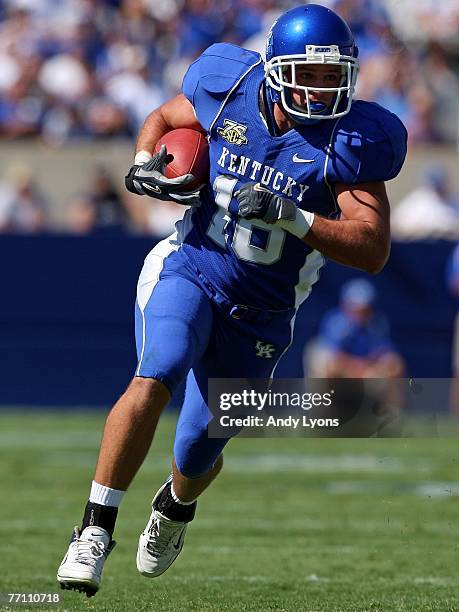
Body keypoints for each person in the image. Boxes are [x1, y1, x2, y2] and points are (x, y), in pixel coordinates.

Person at [57, 3, 407, 597]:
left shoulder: (351, 141)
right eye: (310, 74)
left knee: (196, 450)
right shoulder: (229, 84)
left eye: (333, 75)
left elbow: (372, 249)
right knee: (157, 369)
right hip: (192, 267)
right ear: (273, 69)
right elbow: (164, 116)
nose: (324, 90)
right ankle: (94, 529)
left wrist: (295, 217)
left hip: (263, 313)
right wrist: (145, 160)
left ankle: (174, 507)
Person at [308, 278, 405, 379]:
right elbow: (333, 355)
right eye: (356, 308)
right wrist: (357, 368)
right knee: (325, 360)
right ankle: (325, 395)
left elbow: (384, 351)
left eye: (365, 309)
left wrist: (374, 366)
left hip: (367, 366)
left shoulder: (377, 322)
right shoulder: (337, 322)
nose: (361, 313)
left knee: (395, 364)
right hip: (346, 367)